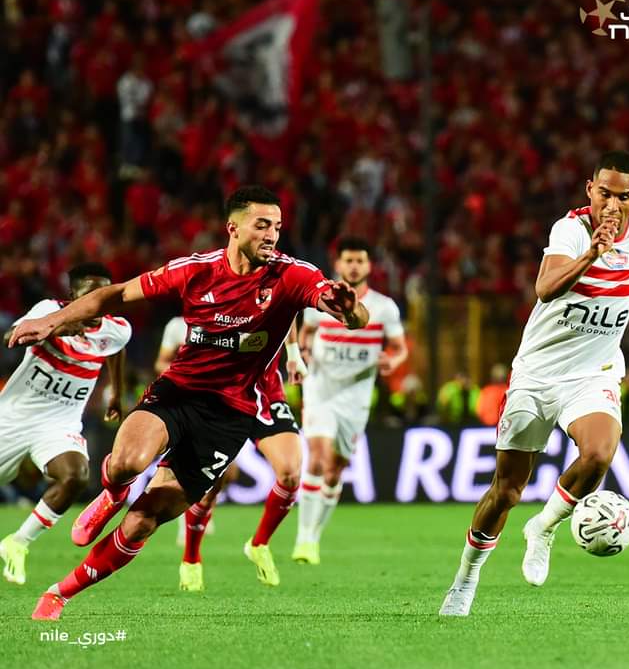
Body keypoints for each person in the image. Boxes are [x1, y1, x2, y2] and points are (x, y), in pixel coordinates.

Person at [9, 185, 369, 620]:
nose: (272, 235)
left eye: (277, 226)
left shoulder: (293, 275)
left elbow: (347, 312)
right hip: (178, 392)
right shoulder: (196, 269)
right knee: (126, 463)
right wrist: (51, 320)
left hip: (230, 415)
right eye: (261, 225)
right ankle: (113, 493)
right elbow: (114, 295)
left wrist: (350, 310)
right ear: (233, 228)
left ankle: (58, 594)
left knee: (143, 522)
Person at [439, 151, 629, 616]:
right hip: (536, 374)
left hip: (593, 373)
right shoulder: (570, 230)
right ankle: (465, 580)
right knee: (506, 491)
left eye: (623, 197)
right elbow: (545, 288)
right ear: (590, 190)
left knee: (599, 454)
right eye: (604, 193)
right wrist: (592, 254)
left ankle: (544, 526)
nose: (612, 204)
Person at [0, 263, 130, 585]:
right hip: (13, 419)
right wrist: (53, 328)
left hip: (59, 425)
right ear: (73, 296)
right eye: (90, 296)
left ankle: (17, 543)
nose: (98, 304)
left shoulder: (117, 328)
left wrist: (116, 394)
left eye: (104, 296)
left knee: (76, 476)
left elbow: (117, 349)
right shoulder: (49, 310)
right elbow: (8, 337)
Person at [292, 237, 407, 565]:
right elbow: (305, 333)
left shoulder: (384, 307)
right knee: (317, 458)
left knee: (334, 470)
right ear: (338, 264)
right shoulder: (322, 299)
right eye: (349, 261)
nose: (354, 266)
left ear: (369, 266)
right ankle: (304, 539)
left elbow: (400, 349)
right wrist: (303, 352)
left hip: (356, 396)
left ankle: (315, 534)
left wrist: (392, 361)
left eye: (360, 261)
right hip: (320, 388)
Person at [178, 326, 309, 591]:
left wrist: (293, 351)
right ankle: (191, 559)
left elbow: (290, 306)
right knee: (211, 486)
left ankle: (259, 544)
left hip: (266, 391)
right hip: (219, 393)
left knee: (290, 472)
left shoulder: (274, 294)